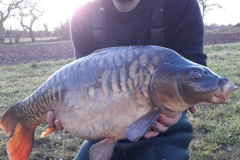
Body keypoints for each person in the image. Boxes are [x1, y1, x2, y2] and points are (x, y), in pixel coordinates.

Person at [46, 0, 207, 159]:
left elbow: (194, 74)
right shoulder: (84, 14)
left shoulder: (180, 4)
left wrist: (177, 112)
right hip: (103, 128)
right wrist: (70, 116)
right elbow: (81, 82)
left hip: (164, 123)